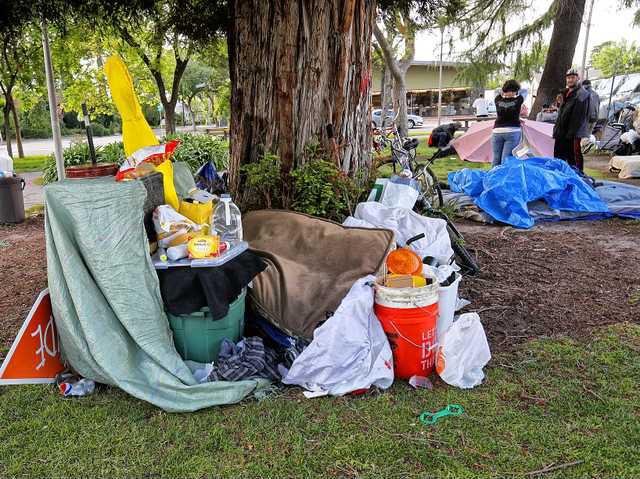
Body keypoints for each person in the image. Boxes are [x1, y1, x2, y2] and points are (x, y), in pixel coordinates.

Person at [553, 68, 590, 172]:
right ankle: (559, 177)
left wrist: (571, 134)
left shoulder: (582, 94)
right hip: (561, 132)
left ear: (578, 78)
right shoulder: (565, 93)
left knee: (573, 160)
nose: (570, 80)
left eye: (572, 77)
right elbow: (562, 113)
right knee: (558, 159)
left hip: (572, 134)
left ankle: (578, 178)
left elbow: (578, 117)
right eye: (568, 78)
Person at [491, 79, 524, 166]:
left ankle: (493, 174)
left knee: (496, 159)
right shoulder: (519, 99)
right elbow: (525, 91)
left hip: (497, 131)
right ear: (516, 90)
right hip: (513, 131)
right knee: (506, 160)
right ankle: (504, 175)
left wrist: (504, 91)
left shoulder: (497, 99)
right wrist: (516, 91)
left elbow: (496, 90)